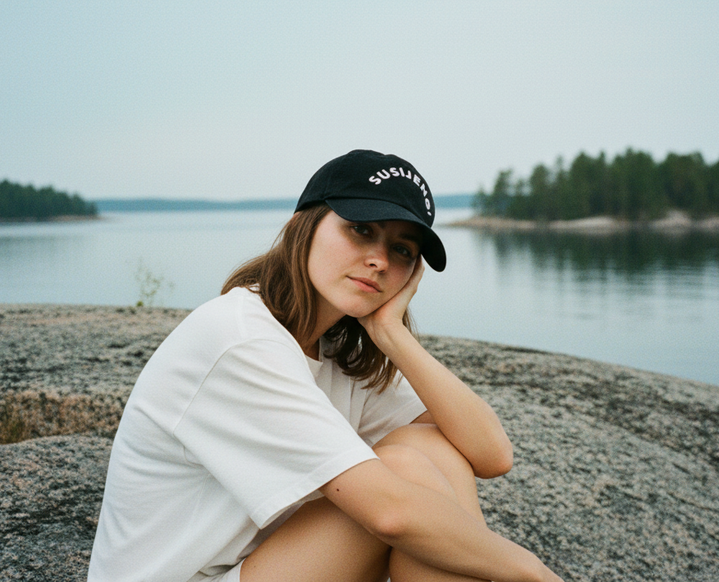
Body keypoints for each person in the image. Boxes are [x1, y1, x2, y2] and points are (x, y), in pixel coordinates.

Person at [88, 150, 564, 582]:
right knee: (401, 479)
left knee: (434, 448)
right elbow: (390, 513)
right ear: (304, 224)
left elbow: (490, 454)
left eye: (402, 250)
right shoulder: (238, 338)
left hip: (261, 565)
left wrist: (393, 335)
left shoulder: (337, 346)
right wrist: (533, 572)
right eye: (361, 229)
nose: (379, 260)